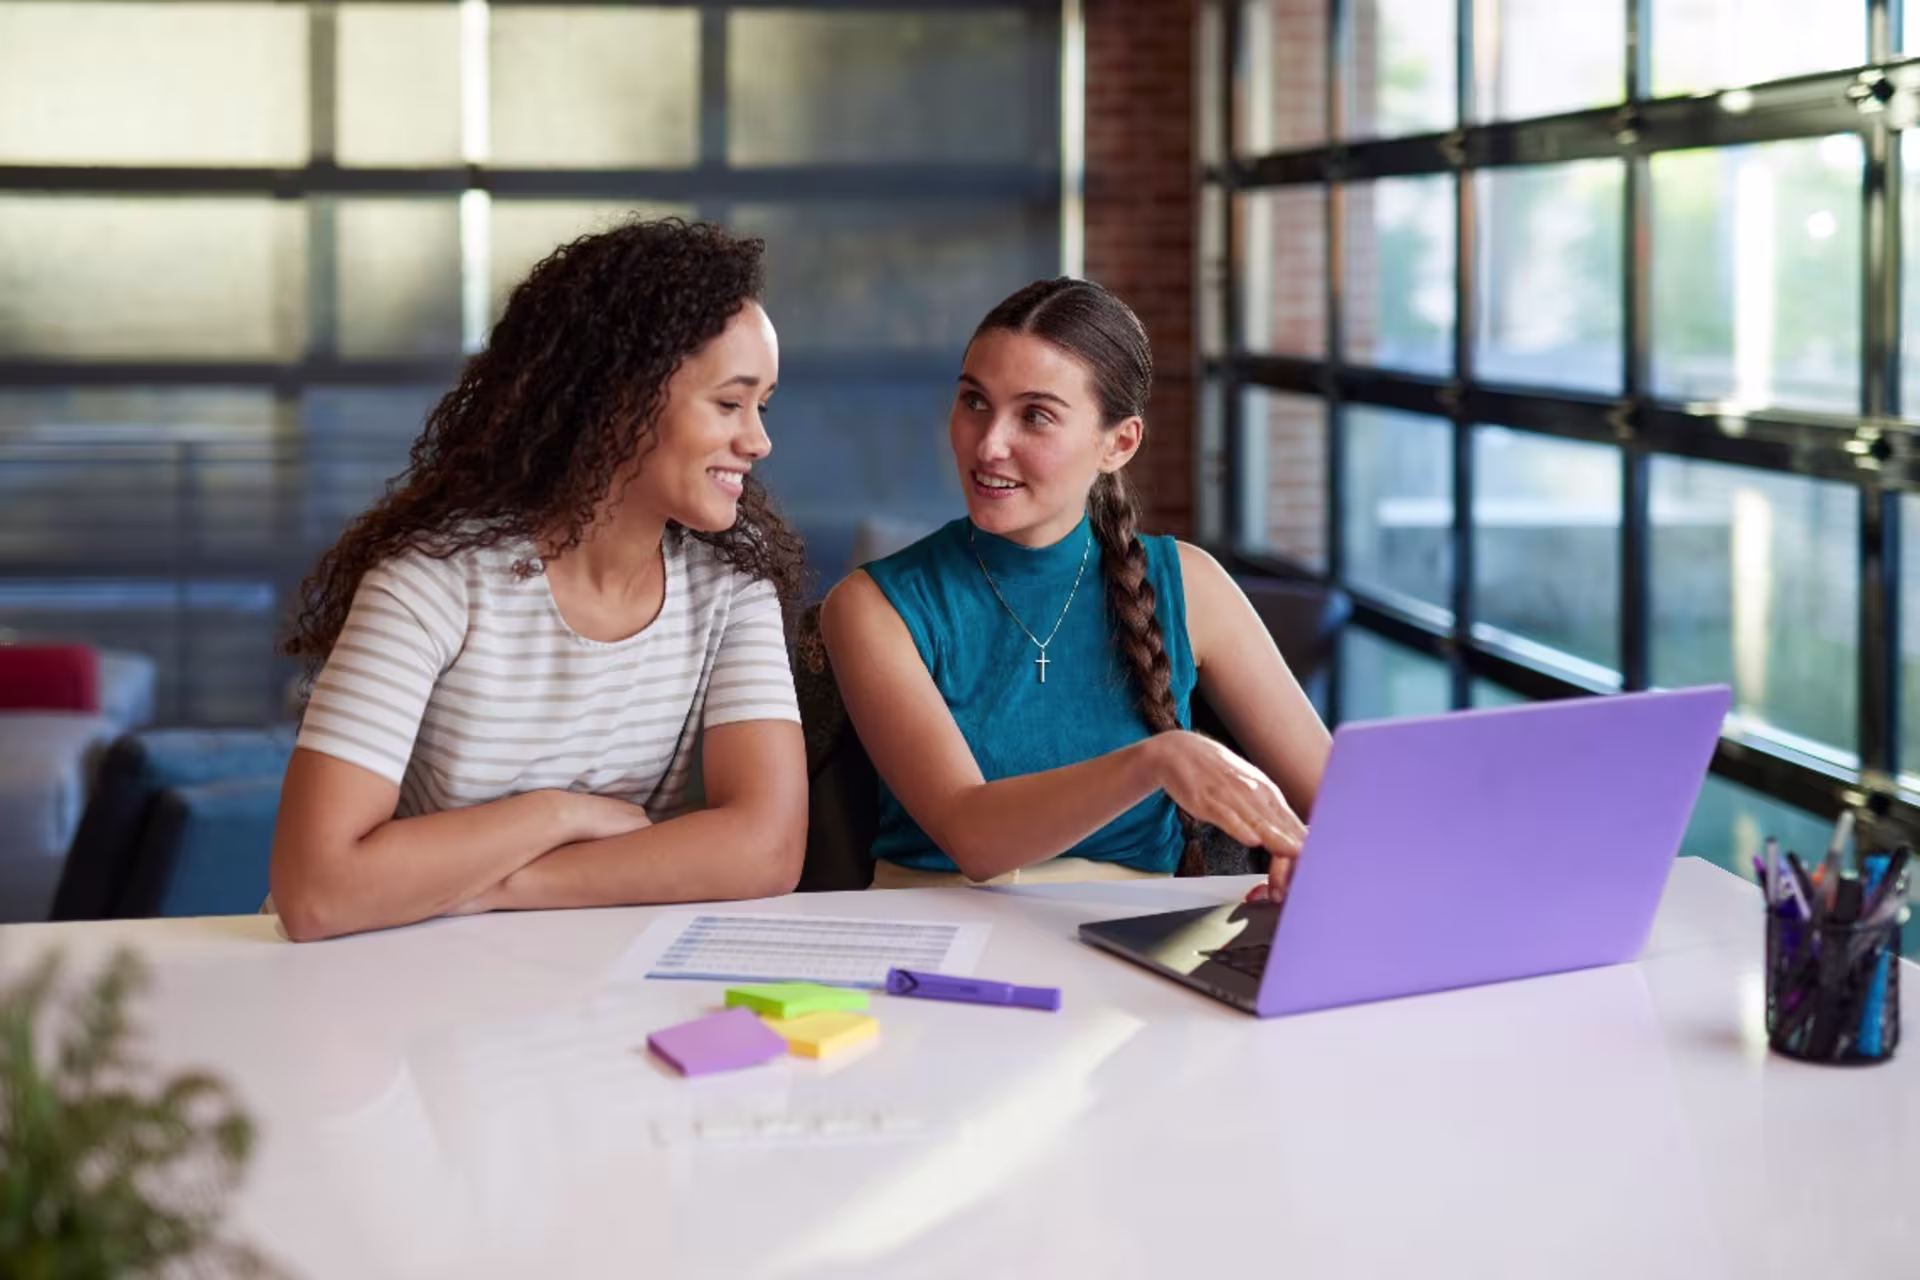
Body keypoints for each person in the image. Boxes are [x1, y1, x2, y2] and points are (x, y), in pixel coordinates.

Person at [270, 218, 808, 941]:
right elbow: (316, 890)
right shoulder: (431, 582)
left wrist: (504, 886)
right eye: (728, 403)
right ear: (623, 396)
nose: (759, 440)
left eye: (761, 406)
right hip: (393, 975)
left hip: (570, 961)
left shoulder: (731, 578)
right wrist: (560, 813)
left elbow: (767, 849)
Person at [820, 277, 1329, 897]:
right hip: (933, 935)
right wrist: (1157, 760)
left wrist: (1307, 867)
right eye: (974, 402)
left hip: (1138, 944)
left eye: (1035, 416)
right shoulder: (874, 605)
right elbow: (970, 832)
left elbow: (1340, 803)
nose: (989, 444)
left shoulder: (1191, 586)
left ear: (1119, 443)